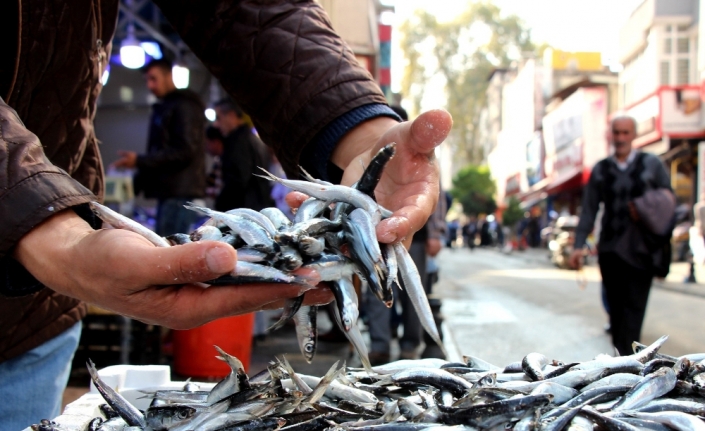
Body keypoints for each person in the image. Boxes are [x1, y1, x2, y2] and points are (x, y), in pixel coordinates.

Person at [0, 2, 452, 428]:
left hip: (32, 315)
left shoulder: (183, 116)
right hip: (45, 268)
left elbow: (245, 11)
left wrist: (356, 125)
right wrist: (45, 228)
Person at [569, 116, 671, 356]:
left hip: (641, 251)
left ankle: (631, 361)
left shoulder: (652, 165)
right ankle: (621, 360)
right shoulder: (601, 169)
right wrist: (578, 245)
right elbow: (589, 210)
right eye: (617, 133)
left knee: (634, 310)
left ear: (633, 135)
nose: (621, 138)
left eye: (626, 133)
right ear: (610, 135)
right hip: (611, 250)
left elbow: (669, 202)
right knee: (616, 311)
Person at [113, 59, 207, 236]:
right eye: (147, 80)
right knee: (167, 249)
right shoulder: (169, 107)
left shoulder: (183, 106)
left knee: (170, 252)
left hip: (178, 195)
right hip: (172, 193)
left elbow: (185, 151)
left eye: (153, 79)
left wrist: (140, 161)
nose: (150, 85)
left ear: (168, 76)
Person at [212, 98, 274, 211]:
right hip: (260, 208)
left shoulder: (238, 142)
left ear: (231, 115)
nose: (216, 124)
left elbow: (238, 180)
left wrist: (220, 205)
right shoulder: (253, 138)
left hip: (244, 212)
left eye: (218, 118)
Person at [204, 126, 225, 201]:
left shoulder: (226, 160)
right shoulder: (218, 160)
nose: (206, 148)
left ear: (216, 142)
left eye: (207, 143)